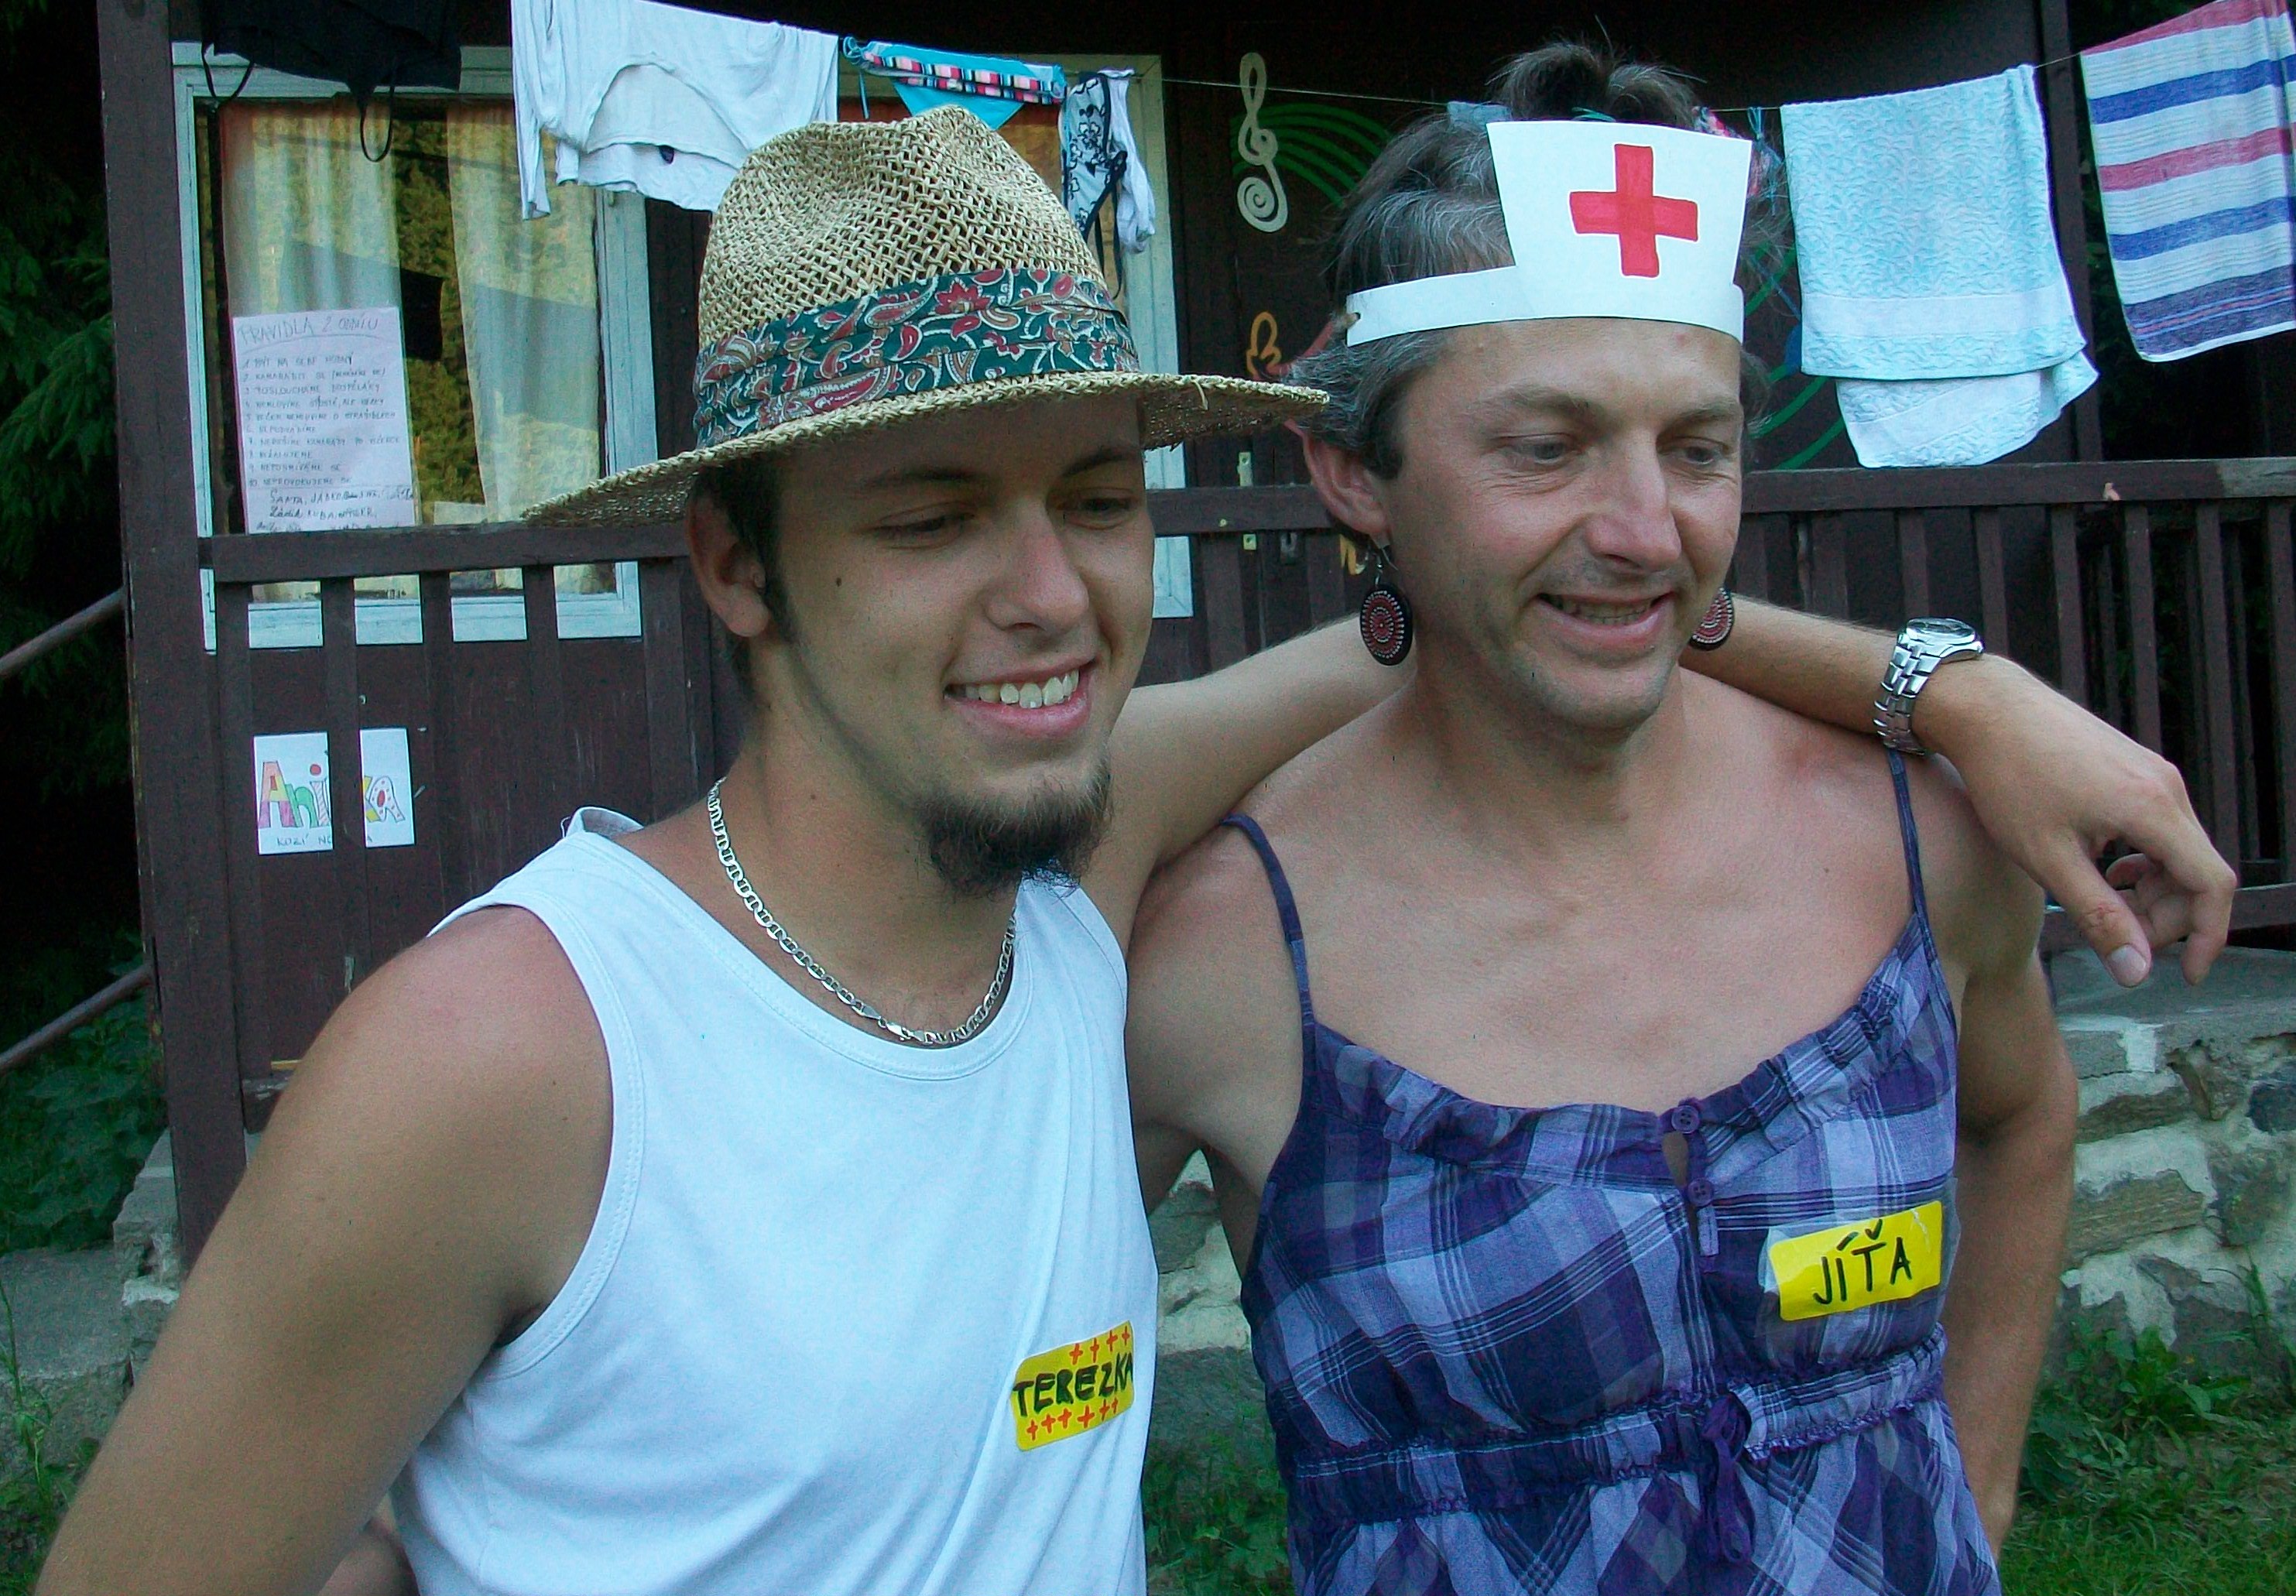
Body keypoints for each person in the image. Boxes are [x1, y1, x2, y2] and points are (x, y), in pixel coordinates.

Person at [40, 105, 2229, 1596]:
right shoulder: (514, 1047)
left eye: (1095, 499)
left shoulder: (1078, 911)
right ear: (732, 562)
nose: (1046, 594)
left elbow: (1530, 615)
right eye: (927, 516)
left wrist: (1959, 691)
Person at [1124, 46, 2181, 1596]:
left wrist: (1978, 1487)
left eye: (1696, 448)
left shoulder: (1917, 845)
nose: (1644, 532)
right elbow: (989, 1352)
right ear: (1350, 466)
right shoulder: (1222, 952)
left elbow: (2020, 1118)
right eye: (1544, 447)